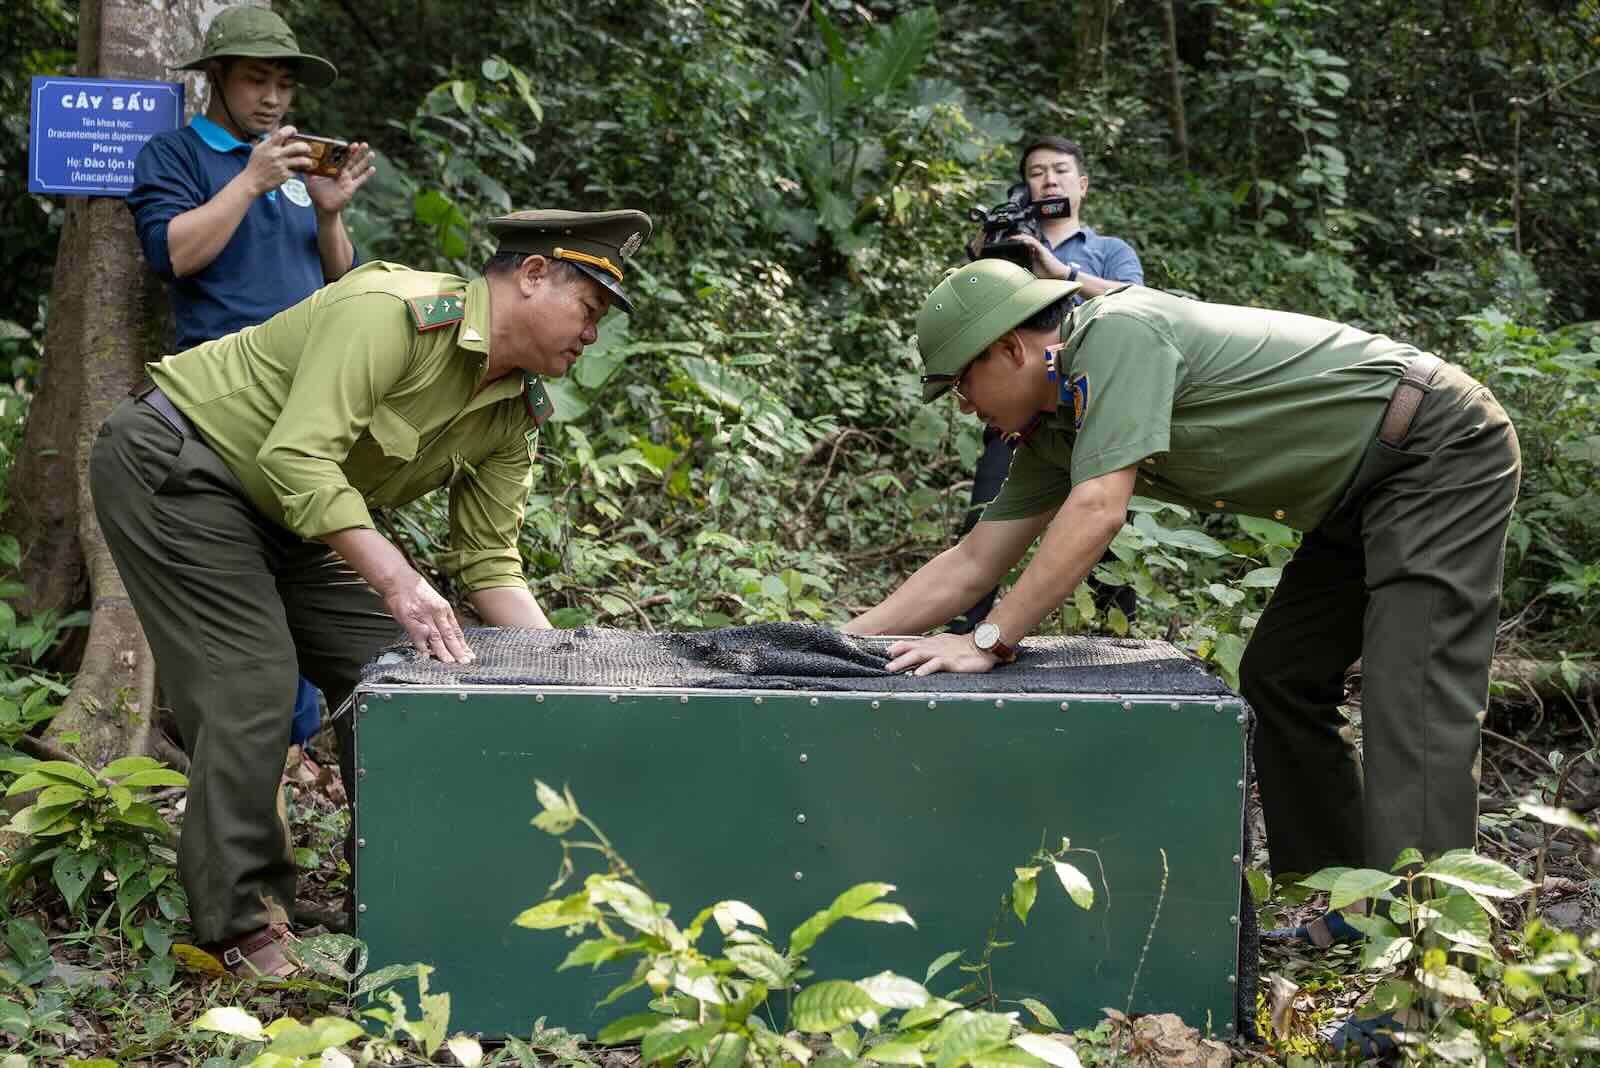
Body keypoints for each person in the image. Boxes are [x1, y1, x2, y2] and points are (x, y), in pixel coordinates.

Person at [845, 257, 1518, 946]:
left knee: (1414, 698)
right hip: (1355, 493)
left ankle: (1433, 964)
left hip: (1433, 447)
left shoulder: (1115, 335)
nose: (963, 404)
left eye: (962, 381)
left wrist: (989, 640)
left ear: (1012, 349)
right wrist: (833, 645)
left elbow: (1099, 508)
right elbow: (969, 564)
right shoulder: (1056, 430)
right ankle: (1348, 906)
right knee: (1281, 676)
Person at [91, 208, 653, 978]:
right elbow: (297, 456)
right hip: (186, 468)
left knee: (409, 673)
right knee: (252, 682)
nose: (592, 335)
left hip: (297, 518)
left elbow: (490, 560)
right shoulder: (392, 314)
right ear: (530, 275)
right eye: (587, 310)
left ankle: (409, 892)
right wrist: (399, 580)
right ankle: (239, 930)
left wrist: (561, 675)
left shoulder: (516, 411)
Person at [126, 6, 379, 769]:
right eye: (255, 80)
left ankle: (305, 742)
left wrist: (330, 214)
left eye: (282, 84)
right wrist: (249, 179)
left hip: (312, 404)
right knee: (244, 593)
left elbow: (343, 283)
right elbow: (174, 254)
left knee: (308, 580)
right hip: (222, 409)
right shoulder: (174, 154)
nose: (273, 99)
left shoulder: (299, 171)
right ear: (217, 79)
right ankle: (268, 755)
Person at [953, 137, 1143, 632]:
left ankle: (1113, 639)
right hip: (1020, 413)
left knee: (1108, 531)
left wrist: (1063, 273)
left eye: (1060, 170)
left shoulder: (1108, 251)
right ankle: (965, 629)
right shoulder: (1005, 250)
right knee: (987, 521)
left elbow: (1144, 307)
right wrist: (982, 262)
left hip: (1100, 408)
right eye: (1037, 172)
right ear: (1025, 186)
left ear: (1081, 184)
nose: (1049, 179)